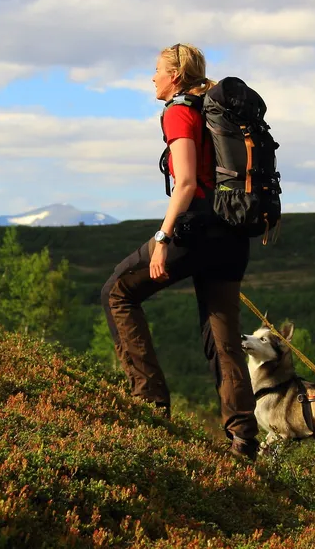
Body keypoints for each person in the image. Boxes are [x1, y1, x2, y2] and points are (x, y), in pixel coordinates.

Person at [100, 42, 260, 461]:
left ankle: (150, 406)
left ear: (174, 75)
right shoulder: (212, 107)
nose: (152, 78)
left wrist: (163, 238)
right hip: (233, 235)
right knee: (223, 338)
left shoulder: (179, 111)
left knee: (117, 292)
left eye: (156, 70)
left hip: (197, 231)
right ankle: (243, 441)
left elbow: (186, 182)